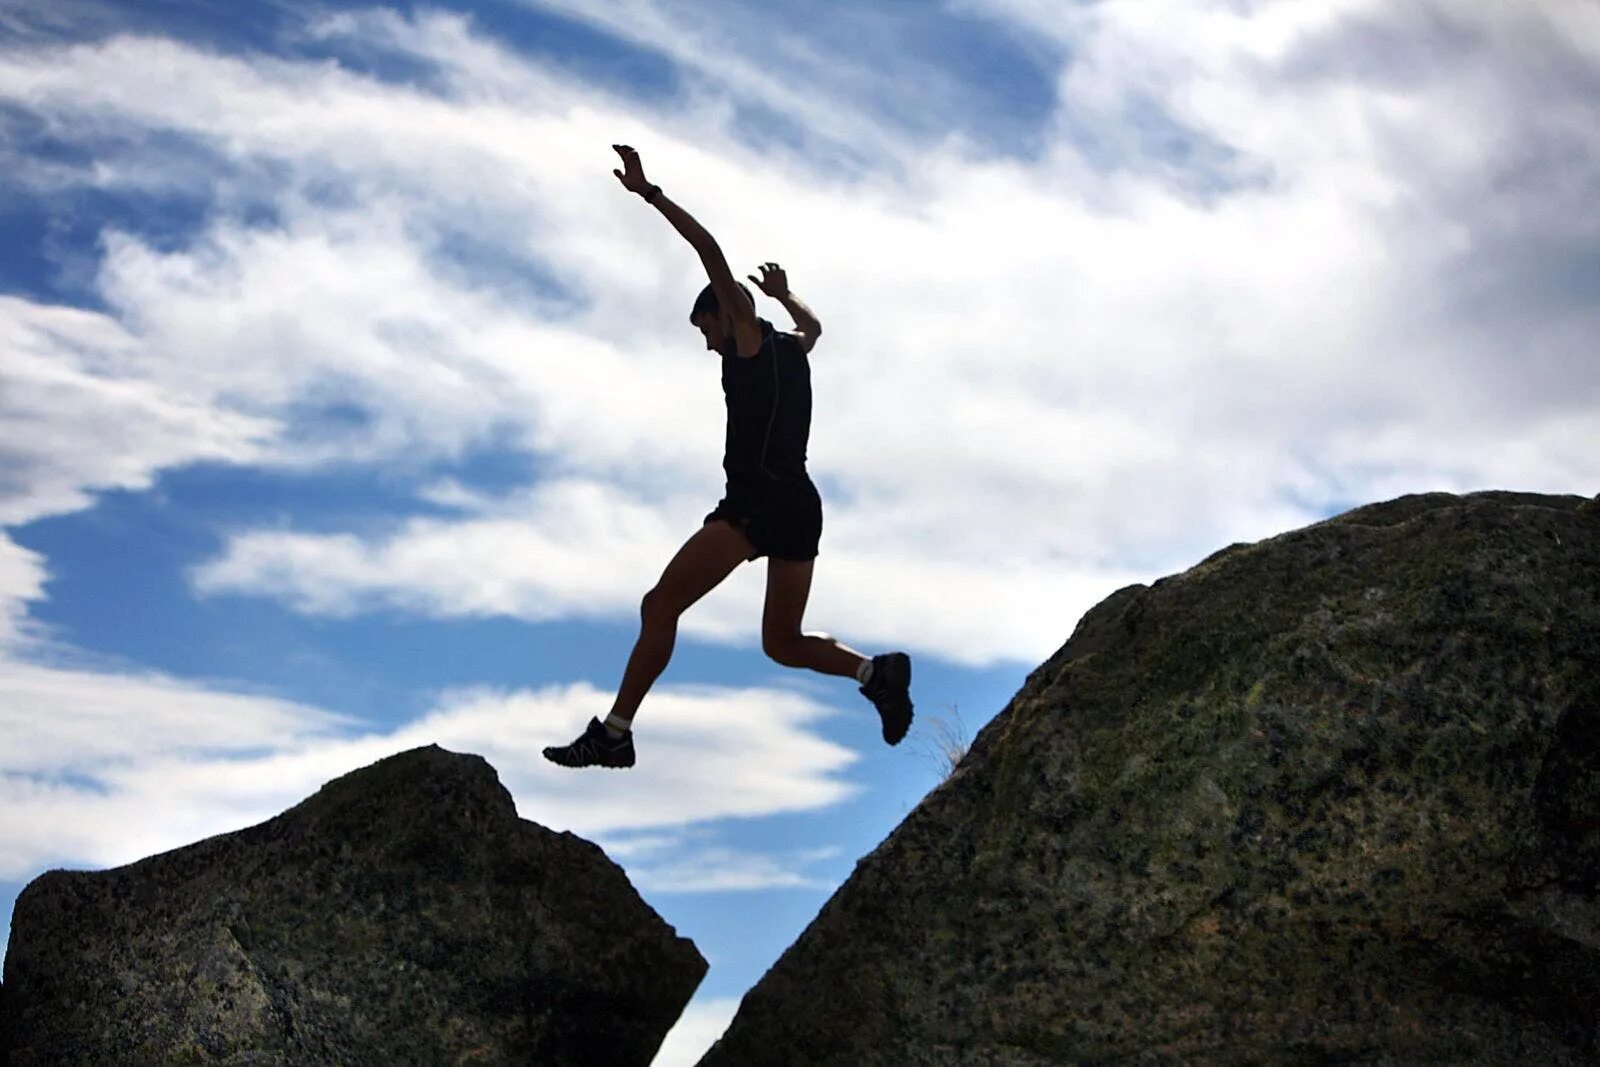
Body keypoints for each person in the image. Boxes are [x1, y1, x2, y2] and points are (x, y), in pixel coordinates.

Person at [542, 144, 913, 769]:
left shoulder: (747, 338)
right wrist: (791, 297)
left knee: (659, 605)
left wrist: (650, 194)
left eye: (704, 329)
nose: (707, 343)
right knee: (782, 643)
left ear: (726, 313)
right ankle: (874, 672)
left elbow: (710, 253)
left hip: (756, 503)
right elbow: (815, 329)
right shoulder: (792, 348)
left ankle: (615, 732)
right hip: (799, 504)